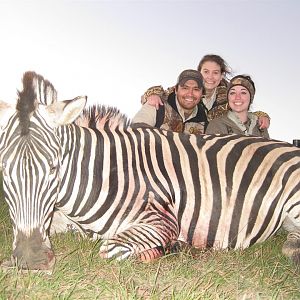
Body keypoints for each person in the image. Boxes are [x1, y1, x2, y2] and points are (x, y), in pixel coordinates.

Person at [141, 54, 270, 129]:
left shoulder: (227, 97)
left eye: (215, 73)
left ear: (221, 76)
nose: (210, 77)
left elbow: (242, 110)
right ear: (199, 73)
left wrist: (261, 115)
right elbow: (165, 93)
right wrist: (152, 94)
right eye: (206, 72)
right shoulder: (189, 91)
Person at [132, 69, 208, 134]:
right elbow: (135, 133)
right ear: (176, 90)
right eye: (185, 88)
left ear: (202, 94)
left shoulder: (205, 120)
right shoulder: (157, 106)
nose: (190, 94)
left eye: (196, 89)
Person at [205, 75, 269, 138]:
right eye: (232, 93)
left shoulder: (261, 126)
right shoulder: (216, 125)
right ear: (228, 97)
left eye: (243, 92)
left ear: (251, 98)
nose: (237, 97)